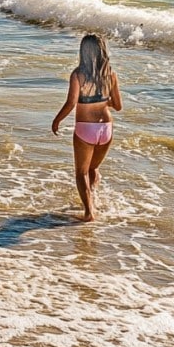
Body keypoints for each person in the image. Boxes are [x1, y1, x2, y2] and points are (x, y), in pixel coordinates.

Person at [51, 34, 123, 222]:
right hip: (106, 128)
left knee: (81, 172)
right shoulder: (110, 75)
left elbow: (70, 103)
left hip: (85, 129)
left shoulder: (78, 74)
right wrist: (102, 102)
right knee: (94, 168)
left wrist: (57, 120)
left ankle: (89, 212)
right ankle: (92, 199)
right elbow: (118, 106)